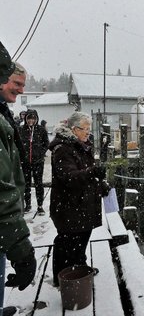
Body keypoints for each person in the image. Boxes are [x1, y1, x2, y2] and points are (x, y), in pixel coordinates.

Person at [49, 112, 109, 287]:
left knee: (82, 239)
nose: (88, 133)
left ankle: (80, 269)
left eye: (89, 129)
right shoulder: (63, 149)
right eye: (85, 129)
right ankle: (62, 277)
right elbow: (69, 177)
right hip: (69, 205)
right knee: (66, 242)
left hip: (81, 204)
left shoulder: (82, 146)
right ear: (74, 129)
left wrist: (100, 184)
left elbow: (85, 172)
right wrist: (93, 173)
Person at [0, 42, 36, 316]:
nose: (21, 90)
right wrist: (22, 253)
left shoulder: (4, 114)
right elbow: (2, 193)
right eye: (15, 82)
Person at [19, 109, 49, 214]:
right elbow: (17, 144)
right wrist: (21, 155)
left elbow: (46, 143)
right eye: (29, 118)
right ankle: (28, 205)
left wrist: (41, 153)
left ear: (36, 119)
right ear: (26, 119)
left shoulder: (41, 130)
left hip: (38, 162)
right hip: (25, 162)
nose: (31, 120)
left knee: (38, 184)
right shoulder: (21, 129)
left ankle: (40, 206)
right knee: (26, 185)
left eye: (33, 118)